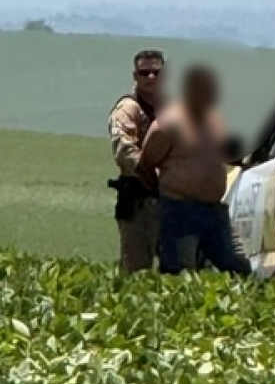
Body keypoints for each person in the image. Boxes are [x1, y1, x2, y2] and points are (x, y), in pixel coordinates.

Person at [137, 64, 250, 276]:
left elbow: (228, 153)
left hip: (215, 211)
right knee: (179, 272)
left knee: (238, 266)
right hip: (180, 210)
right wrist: (163, 194)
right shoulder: (167, 123)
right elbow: (145, 165)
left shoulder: (215, 118)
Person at [107, 50, 164, 273]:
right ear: (135, 76)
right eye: (144, 72)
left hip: (173, 200)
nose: (151, 77)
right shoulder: (127, 109)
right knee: (136, 271)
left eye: (156, 72)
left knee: (179, 273)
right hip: (140, 200)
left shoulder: (174, 108)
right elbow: (124, 150)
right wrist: (151, 173)